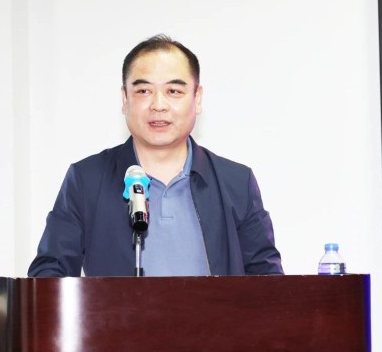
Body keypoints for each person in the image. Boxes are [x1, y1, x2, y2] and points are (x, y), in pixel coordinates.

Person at [28, 35, 282, 277]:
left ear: (197, 98)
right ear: (125, 99)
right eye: (143, 91)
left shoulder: (236, 182)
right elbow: (49, 275)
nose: (158, 105)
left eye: (174, 91)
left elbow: (268, 281)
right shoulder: (87, 179)